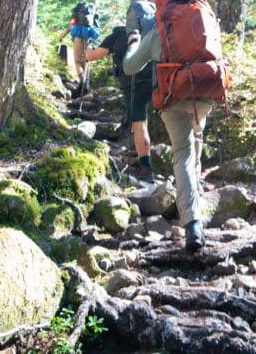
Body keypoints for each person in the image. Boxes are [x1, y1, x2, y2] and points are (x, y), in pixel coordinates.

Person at [123, 16, 212, 254]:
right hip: (205, 92)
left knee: (183, 153)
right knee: (196, 143)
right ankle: (195, 197)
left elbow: (130, 66)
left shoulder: (158, 32)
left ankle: (193, 224)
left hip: (173, 98)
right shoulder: (202, 22)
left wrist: (133, 41)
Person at [84, 25, 155, 182]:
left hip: (133, 84)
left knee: (139, 124)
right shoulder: (150, 32)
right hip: (153, 81)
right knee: (140, 121)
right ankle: (141, 153)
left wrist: (87, 43)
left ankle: (147, 170)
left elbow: (91, 56)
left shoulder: (118, 35)